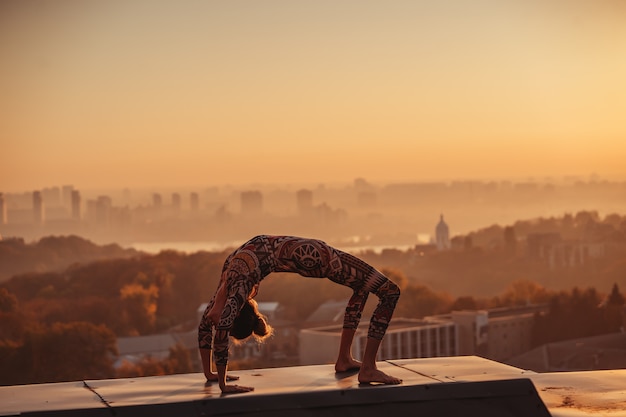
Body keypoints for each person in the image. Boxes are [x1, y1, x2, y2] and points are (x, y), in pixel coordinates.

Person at [198, 235, 402, 394]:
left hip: (316, 256)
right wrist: (214, 376)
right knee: (390, 292)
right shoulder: (231, 278)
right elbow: (210, 326)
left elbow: (215, 328)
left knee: (363, 288)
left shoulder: (234, 285)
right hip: (319, 257)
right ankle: (367, 368)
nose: (218, 322)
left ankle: (345, 359)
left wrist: (219, 380)